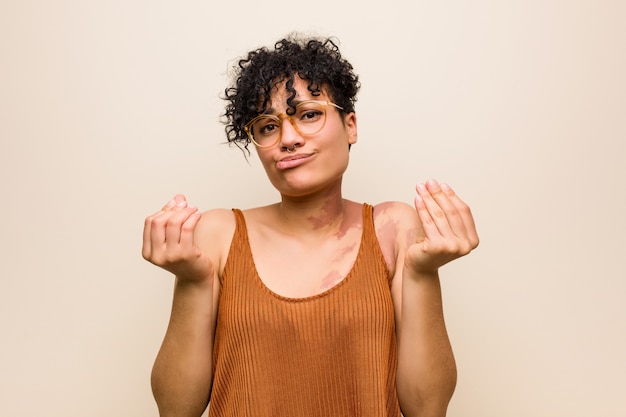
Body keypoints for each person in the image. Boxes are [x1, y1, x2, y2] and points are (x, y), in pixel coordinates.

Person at [142, 34, 479, 417]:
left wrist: (422, 273)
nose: (287, 139)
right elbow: (175, 409)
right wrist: (191, 281)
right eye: (267, 126)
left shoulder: (394, 228)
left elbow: (427, 408)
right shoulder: (218, 235)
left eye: (308, 114)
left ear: (350, 125)